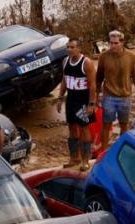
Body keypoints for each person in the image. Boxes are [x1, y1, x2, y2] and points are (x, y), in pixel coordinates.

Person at [96, 30, 135, 151]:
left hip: (125, 96)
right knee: (106, 124)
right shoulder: (104, 56)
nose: (113, 46)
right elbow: (98, 78)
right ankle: (104, 152)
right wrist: (97, 95)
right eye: (111, 43)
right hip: (109, 96)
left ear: (122, 42)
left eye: (116, 43)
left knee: (124, 125)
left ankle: (122, 150)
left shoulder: (131, 57)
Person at [56, 38, 97, 171]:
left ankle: (85, 161)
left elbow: (93, 85)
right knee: (72, 127)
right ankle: (74, 158)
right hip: (71, 100)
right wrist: (60, 98)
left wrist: (91, 104)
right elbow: (64, 80)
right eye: (67, 47)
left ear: (79, 48)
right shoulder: (65, 61)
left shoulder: (86, 63)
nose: (69, 50)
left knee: (84, 128)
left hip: (82, 101)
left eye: (72, 47)